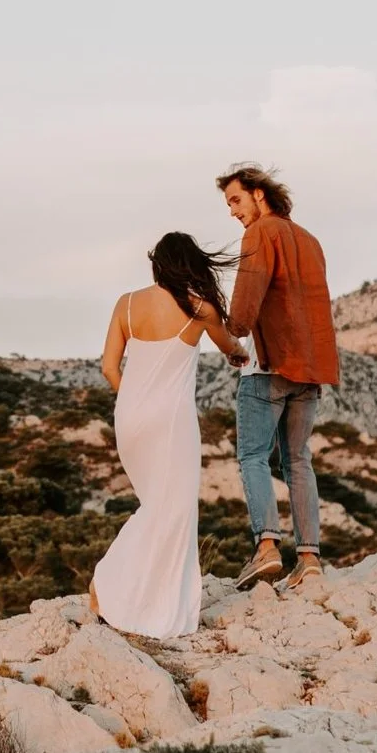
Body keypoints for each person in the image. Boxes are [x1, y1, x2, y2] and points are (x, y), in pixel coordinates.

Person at [90, 232, 245, 638]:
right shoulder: (200, 308)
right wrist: (240, 355)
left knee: (154, 505)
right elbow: (230, 345)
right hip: (170, 421)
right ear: (191, 264)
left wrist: (135, 401)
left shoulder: (126, 303)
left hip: (128, 417)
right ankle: (112, 588)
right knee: (171, 511)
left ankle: (136, 599)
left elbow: (109, 367)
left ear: (157, 264)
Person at [218, 164, 341, 592]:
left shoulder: (260, 233)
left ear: (258, 194)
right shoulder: (310, 240)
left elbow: (248, 297)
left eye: (235, 200)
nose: (233, 211)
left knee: (253, 457)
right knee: (299, 461)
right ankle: (309, 559)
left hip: (269, 366)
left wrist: (232, 329)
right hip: (310, 368)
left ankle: (267, 548)